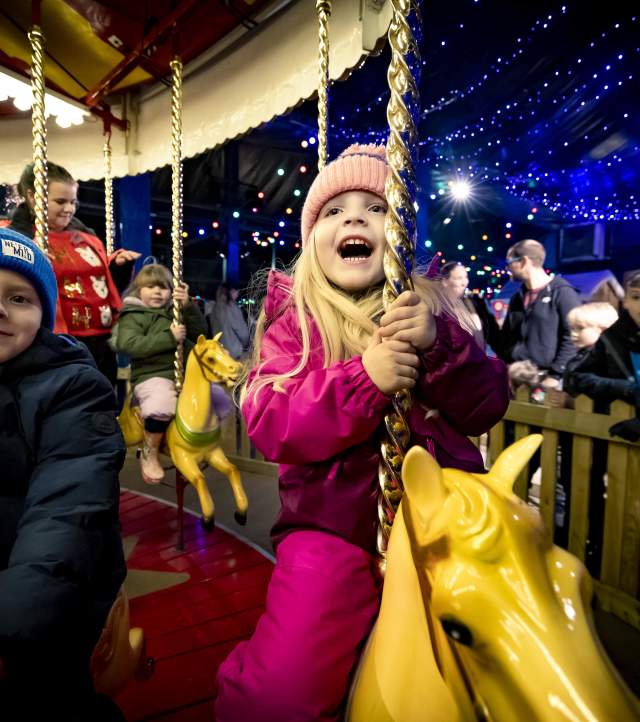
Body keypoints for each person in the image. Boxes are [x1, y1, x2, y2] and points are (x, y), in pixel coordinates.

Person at [214, 144, 510, 722]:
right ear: (311, 243)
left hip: (442, 524)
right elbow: (274, 424)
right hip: (334, 531)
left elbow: (486, 405)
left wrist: (442, 349)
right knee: (288, 690)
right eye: (334, 211)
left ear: (399, 235)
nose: (354, 218)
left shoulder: (434, 317)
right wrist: (363, 380)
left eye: (375, 208)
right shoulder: (294, 326)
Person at [0, 227, 126, 721]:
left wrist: (15, 613)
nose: (2, 309)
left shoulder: (72, 386)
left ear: (44, 316)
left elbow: (67, 503)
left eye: (19, 298)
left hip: (51, 589)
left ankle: (154, 449)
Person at [9, 161, 140, 384]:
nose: (69, 209)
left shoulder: (86, 238)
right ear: (33, 197)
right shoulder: (14, 239)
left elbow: (104, 289)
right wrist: (28, 259)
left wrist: (118, 267)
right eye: (60, 201)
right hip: (57, 342)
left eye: (73, 202)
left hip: (101, 339)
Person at [113, 263, 208, 484]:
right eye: (150, 287)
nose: (157, 292)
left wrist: (188, 307)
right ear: (138, 290)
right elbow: (131, 344)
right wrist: (169, 338)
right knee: (162, 405)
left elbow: (202, 334)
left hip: (182, 373)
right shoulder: (133, 314)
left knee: (214, 401)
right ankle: (150, 450)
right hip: (152, 375)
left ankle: (196, 447)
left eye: (163, 288)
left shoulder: (174, 311)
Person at [564, 270, 640, 438]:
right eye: (636, 298)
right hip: (611, 432)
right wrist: (626, 388)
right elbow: (577, 377)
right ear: (625, 301)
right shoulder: (611, 340)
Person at [499, 239, 580, 384]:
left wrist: (555, 375)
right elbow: (506, 337)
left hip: (545, 379)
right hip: (513, 377)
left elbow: (572, 338)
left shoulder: (562, 292)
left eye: (509, 262)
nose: (507, 268)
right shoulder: (517, 298)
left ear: (524, 261)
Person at [440, 260, 500, 351]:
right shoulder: (437, 308)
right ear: (445, 282)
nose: (465, 283)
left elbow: (494, 335)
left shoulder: (476, 303)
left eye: (466, 277)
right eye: (459, 278)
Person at [207, 284, 250, 359]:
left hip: (219, 353)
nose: (237, 294)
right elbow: (243, 334)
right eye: (236, 291)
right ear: (231, 292)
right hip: (235, 354)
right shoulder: (231, 308)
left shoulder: (214, 309)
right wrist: (246, 345)